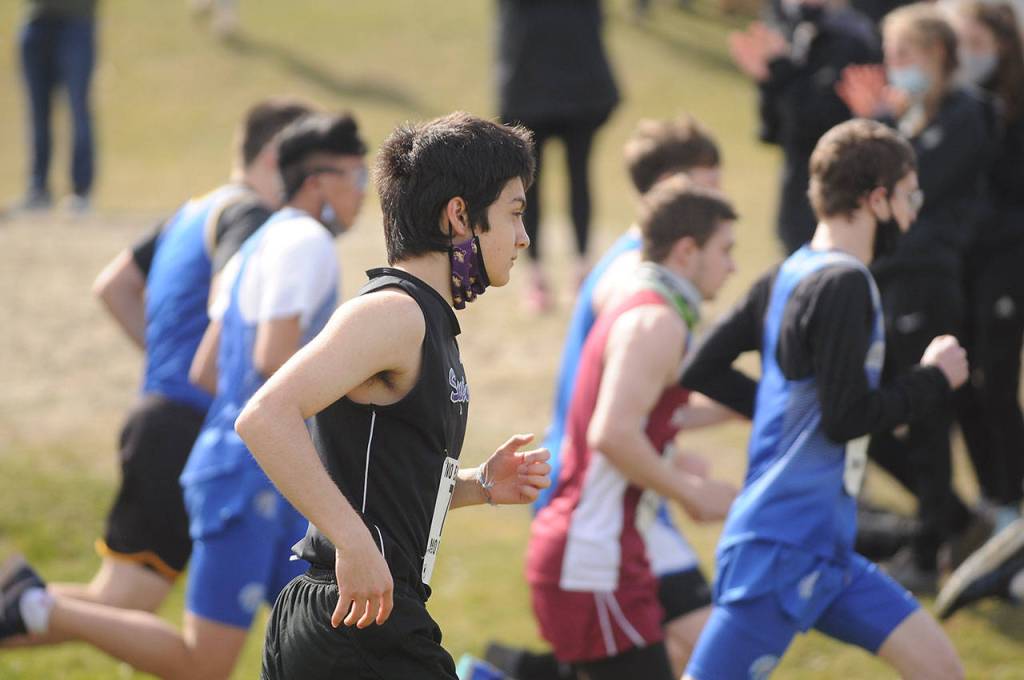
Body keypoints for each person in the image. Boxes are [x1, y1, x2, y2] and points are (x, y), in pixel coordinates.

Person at [0, 111, 367, 680]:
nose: (365, 195)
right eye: (358, 176)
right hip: (235, 460)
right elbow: (270, 361)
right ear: (297, 167)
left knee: (333, 636)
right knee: (186, 647)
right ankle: (32, 603)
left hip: (208, 441)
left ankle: (32, 604)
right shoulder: (276, 229)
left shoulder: (215, 218)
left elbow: (196, 356)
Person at [233, 112, 551, 680]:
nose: (524, 237)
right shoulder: (393, 312)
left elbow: (379, 478)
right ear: (459, 215)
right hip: (356, 627)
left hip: (363, 621)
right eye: (515, 213)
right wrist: (352, 542)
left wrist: (478, 486)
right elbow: (264, 416)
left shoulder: (426, 320)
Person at [682, 119, 968, 680]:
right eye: (910, 197)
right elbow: (846, 417)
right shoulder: (844, 283)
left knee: (941, 670)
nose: (912, 215)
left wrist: (778, 410)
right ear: (877, 199)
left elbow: (704, 367)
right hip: (780, 546)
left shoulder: (788, 272)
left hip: (828, 550)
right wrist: (933, 379)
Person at [485, 115, 726, 680]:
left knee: (685, 647)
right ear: (670, 185)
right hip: (597, 500)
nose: (720, 204)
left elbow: (640, 405)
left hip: (619, 498)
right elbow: (616, 421)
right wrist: (684, 481)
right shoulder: (639, 283)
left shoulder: (638, 266)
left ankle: (506, 672)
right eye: (708, 187)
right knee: (710, 644)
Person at [837, 2, 999, 591]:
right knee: (872, 412)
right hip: (891, 282)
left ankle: (930, 553)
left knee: (927, 418)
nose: (894, 65)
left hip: (929, 285)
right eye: (891, 54)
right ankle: (951, 521)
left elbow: (917, 190)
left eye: (906, 54)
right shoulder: (905, 121)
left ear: (938, 55)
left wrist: (878, 129)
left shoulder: (969, 114)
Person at [944, 0, 1024, 534]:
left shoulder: (1013, 106)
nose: (968, 56)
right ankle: (994, 497)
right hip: (958, 267)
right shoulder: (955, 106)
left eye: (977, 44)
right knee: (961, 382)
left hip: (1006, 265)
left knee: (995, 384)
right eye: (960, 45)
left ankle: (1013, 497)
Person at [496, 0, 620, 311]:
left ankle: (582, 269)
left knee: (579, 175)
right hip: (528, 80)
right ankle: (535, 274)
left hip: (580, 80)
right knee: (528, 182)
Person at [730, 0, 879, 254]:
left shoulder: (852, 41)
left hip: (835, 204)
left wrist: (780, 69)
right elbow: (775, 129)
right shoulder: (800, 29)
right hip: (797, 196)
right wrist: (767, 81)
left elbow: (820, 124)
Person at [15, 0, 99, 214]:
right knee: (37, 113)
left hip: (76, 21)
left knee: (79, 109)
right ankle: (38, 188)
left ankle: (81, 191)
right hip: (36, 20)